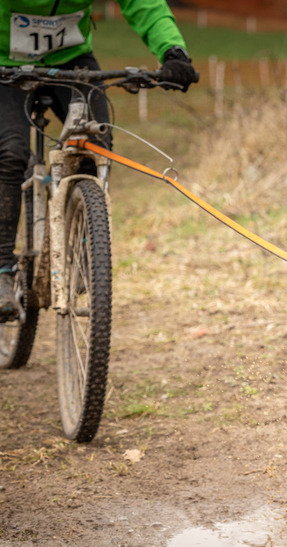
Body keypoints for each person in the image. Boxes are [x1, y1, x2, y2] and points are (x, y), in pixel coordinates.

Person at [0, 1, 198, 321]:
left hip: (71, 60)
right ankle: (2, 271)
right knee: (10, 152)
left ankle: (83, 241)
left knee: (97, 142)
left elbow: (142, 3)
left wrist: (172, 51)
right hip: (5, 63)